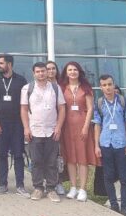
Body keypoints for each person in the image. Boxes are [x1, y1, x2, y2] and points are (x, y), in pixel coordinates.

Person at [21, 62, 66, 203]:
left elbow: (62, 108)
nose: (41, 74)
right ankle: (38, 188)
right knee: (36, 161)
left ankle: (51, 189)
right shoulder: (27, 88)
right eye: (38, 71)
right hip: (34, 131)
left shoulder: (55, 88)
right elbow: (23, 109)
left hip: (52, 131)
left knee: (52, 161)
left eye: (43, 71)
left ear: (47, 72)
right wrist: (26, 128)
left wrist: (58, 127)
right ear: (34, 73)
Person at [0, 54, 29, 197]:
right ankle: (2, 185)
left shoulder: (21, 80)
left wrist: (26, 126)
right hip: (0, 124)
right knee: (1, 154)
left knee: (18, 155)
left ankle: (20, 186)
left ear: (9, 64)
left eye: (1, 63)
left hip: (17, 124)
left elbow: (25, 104)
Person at [93, 74, 126, 216]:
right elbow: (97, 125)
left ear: (114, 84)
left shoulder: (123, 101)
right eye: (104, 85)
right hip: (105, 143)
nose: (107, 87)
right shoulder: (99, 103)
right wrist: (96, 145)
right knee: (108, 175)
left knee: (124, 177)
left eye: (109, 84)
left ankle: (125, 207)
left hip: (121, 143)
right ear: (101, 87)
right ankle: (114, 205)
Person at [59, 62, 97, 202]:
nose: (72, 72)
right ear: (66, 72)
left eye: (75, 69)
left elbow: (90, 108)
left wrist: (86, 127)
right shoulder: (62, 88)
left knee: (82, 158)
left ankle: (82, 189)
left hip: (82, 126)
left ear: (79, 71)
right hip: (67, 127)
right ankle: (73, 187)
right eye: (70, 70)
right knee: (70, 158)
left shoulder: (86, 88)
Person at [45, 60, 66, 196]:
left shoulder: (62, 86)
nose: (51, 71)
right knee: (46, 155)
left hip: (61, 124)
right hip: (46, 125)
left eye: (53, 68)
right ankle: (46, 181)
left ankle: (59, 182)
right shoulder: (40, 86)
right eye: (48, 69)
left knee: (59, 155)